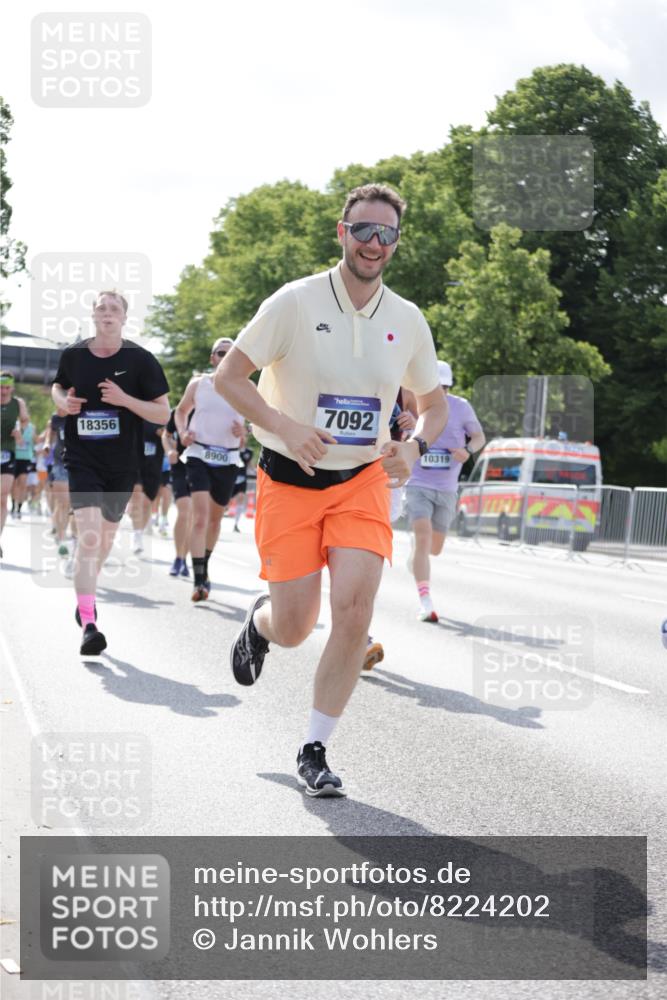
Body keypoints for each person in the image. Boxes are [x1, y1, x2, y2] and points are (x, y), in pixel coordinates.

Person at [216, 183, 447, 797]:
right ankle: (259, 627)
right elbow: (228, 376)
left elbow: (434, 405)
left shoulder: (407, 319)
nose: (374, 243)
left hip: (362, 482)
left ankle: (315, 748)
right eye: (364, 231)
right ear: (341, 233)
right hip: (290, 479)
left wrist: (415, 446)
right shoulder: (293, 302)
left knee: (355, 611)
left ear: (396, 244)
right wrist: (285, 426)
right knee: (296, 626)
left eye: (387, 234)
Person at [52, 290, 169, 654]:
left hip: (122, 466)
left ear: (123, 318)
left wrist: (125, 400)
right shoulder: (74, 355)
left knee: (102, 541)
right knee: (88, 538)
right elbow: (57, 387)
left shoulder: (141, 360)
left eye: (114, 308)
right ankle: (89, 623)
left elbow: (163, 413)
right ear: (92, 315)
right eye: (101, 307)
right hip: (81, 458)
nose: (107, 313)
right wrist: (63, 403)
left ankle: (84, 595)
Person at [404, 359, 485, 622]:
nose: (442, 392)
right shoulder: (416, 402)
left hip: (447, 488)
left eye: (446, 387)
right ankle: (425, 601)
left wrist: (467, 451)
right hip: (418, 483)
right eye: (437, 386)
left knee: (434, 548)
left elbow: (478, 437)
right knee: (423, 535)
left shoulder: (461, 407)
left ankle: (417, 554)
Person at [175, 337, 244, 602]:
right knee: (201, 517)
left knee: (215, 521)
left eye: (231, 352)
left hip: (227, 458)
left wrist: (244, 432)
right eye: (220, 352)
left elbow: (258, 421)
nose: (225, 356)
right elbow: (180, 412)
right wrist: (182, 432)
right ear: (212, 358)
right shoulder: (199, 384)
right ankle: (198, 580)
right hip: (199, 453)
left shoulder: (245, 387)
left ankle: (205, 566)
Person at [0, 371, 29, 550]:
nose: (3, 391)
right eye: (1, 387)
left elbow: (25, 421)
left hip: (7, 453)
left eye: (7, 387)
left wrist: (20, 431)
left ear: (12, 388)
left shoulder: (18, 404)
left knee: (2, 497)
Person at [129, 420, 166, 553]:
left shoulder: (163, 419)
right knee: (138, 496)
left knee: (147, 503)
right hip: (135, 464)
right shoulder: (135, 415)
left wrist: (165, 435)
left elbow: (173, 441)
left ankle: (139, 532)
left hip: (154, 468)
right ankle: (136, 535)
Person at [163, 408, 192, 577]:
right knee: (185, 511)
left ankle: (185, 558)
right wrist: (169, 451)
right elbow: (165, 435)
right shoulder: (179, 412)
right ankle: (178, 557)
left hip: (202, 468)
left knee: (194, 517)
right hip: (180, 467)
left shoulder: (214, 411)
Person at [44, 406, 71, 556]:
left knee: (71, 505)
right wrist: (47, 443)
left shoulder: (82, 414)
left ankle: (59, 527)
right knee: (62, 503)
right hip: (60, 463)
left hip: (80, 464)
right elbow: (50, 434)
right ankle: (62, 539)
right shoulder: (56, 418)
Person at [229, 441, 254, 532]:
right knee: (224, 502)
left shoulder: (249, 452)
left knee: (241, 498)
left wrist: (255, 472)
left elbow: (250, 465)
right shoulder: (232, 448)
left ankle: (236, 524)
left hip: (242, 478)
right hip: (230, 478)